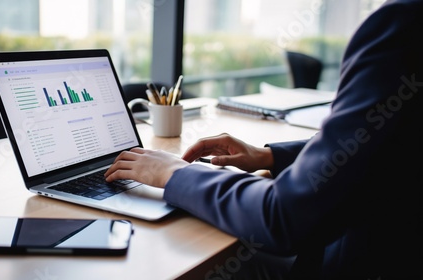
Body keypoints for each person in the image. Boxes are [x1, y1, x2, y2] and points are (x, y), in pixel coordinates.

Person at [105, 0, 423, 278]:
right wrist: (270, 156)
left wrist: (176, 174)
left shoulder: (404, 25)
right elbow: (386, 145)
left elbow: (283, 216)